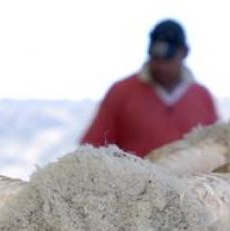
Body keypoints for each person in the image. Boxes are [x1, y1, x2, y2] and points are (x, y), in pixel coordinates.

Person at [81, 19, 219, 157]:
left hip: (192, 178)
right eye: (156, 58)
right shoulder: (121, 92)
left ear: (184, 52)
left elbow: (217, 150)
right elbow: (91, 150)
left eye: (168, 59)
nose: (161, 67)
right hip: (133, 178)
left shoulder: (202, 97)